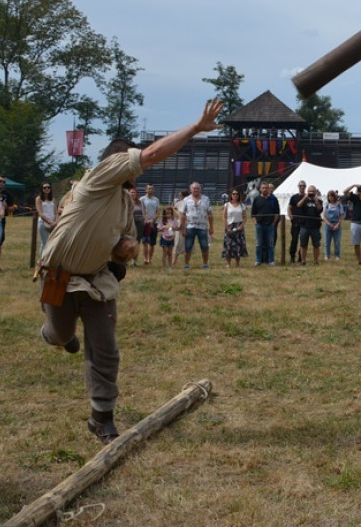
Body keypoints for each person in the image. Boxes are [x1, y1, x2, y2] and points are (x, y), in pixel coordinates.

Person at [36, 100, 223, 443]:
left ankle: (101, 416)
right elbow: (151, 155)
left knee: (105, 349)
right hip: (60, 277)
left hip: (96, 282)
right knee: (61, 335)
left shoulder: (125, 202)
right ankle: (54, 334)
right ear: (116, 162)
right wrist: (196, 128)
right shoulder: (97, 178)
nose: (139, 168)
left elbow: (127, 248)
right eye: (131, 161)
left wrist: (127, 251)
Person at [180, 182, 214, 269]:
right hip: (190, 226)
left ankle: (205, 264)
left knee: (204, 246)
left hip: (202, 227)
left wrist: (211, 227)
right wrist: (182, 228)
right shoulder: (186, 200)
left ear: (200, 189)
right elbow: (182, 214)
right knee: (188, 246)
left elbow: (210, 213)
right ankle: (186, 264)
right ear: (190, 190)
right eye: (194, 188)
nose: (196, 190)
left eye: (197, 188)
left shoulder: (206, 199)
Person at [251, 182, 280, 266]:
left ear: (268, 189)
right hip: (259, 225)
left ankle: (271, 260)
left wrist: (273, 223)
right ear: (260, 189)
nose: (264, 189)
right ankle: (258, 260)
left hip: (270, 225)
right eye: (263, 188)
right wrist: (256, 223)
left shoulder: (273, 200)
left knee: (270, 244)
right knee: (258, 244)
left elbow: (277, 213)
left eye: (266, 188)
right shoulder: (257, 199)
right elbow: (253, 213)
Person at [221, 188, 249, 268]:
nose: (235, 195)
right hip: (230, 225)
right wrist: (227, 227)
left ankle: (237, 263)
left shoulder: (242, 205)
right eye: (234, 194)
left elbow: (245, 217)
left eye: (237, 194)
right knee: (228, 245)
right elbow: (223, 216)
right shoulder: (227, 205)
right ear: (231, 195)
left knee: (238, 245)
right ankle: (228, 263)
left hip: (239, 226)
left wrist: (241, 225)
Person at [297, 185, 323, 265]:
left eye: (313, 192)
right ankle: (303, 260)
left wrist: (316, 201)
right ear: (307, 192)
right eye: (309, 191)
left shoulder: (319, 201)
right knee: (303, 244)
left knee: (316, 245)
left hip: (315, 226)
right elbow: (298, 205)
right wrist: (305, 197)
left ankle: (316, 261)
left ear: (315, 192)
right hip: (305, 225)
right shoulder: (304, 200)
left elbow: (320, 209)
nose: (311, 193)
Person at [286, 180, 307, 264]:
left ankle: (301, 257)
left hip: (305, 222)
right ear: (298, 187)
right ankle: (292, 257)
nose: (302, 187)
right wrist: (291, 217)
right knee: (294, 240)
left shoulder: (308, 197)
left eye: (303, 186)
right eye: (300, 186)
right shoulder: (294, 197)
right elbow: (289, 208)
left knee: (303, 240)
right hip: (295, 222)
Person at [139, 184, 160, 265]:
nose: (150, 190)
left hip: (154, 223)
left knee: (152, 243)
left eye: (152, 189)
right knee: (145, 242)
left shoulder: (156, 200)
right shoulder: (142, 199)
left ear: (154, 190)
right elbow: (142, 211)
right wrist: (147, 220)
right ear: (146, 190)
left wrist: (153, 220)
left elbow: (158, 211)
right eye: (149, 188)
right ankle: (145, 259)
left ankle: (150, 259)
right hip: (145, 223)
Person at [0, 174, 14, 270]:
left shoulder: (7, 194)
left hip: (1, 222)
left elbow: (11, 208)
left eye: (3, 182)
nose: (2, 183)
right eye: (0, 181)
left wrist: (6, 206)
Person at [322, 190, 343, 261]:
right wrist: (328, 223)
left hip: (336, 224)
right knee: (327, 242)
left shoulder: (339, 205)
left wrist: (338, 224)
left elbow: (341, 216)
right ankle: (327, 255)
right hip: (328, 224)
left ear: (335, 197)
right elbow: (324, 216)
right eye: (329, 196)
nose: (331, 197)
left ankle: (337, 255)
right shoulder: (327, 205)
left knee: (337, 242)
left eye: (332, 196)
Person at [36, 182, 57, 251]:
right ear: (42, 189)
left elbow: (56, 212)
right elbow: (40, 213)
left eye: (48, 187)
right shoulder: (38, 199)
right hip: (43, 222)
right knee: (45, 242)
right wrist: (49, 222)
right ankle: (42, 260)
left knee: (54, 243)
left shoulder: (53, 199)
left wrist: (56, 222)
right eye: (44, 188)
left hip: (54, 223)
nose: (47, 189)